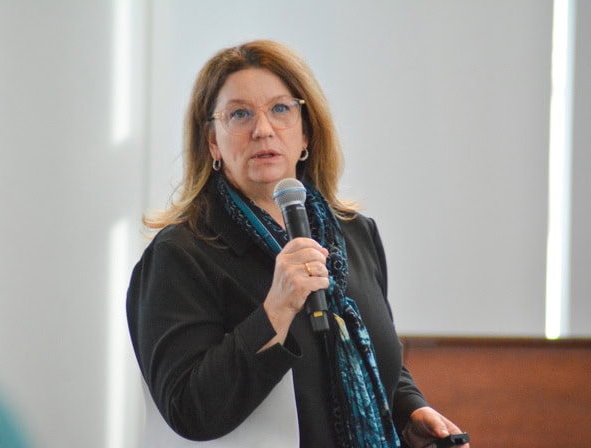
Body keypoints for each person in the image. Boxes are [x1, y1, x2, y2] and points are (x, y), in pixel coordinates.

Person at [127, 39, 469, 447]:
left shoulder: (356, 234)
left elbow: (376, 356)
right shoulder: (180, 255)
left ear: (306, 132)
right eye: (239, 114)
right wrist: (277, 308)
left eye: (280, 109)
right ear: (213, 143)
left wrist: (410, 410)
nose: (263, 129)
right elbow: (189, 410)